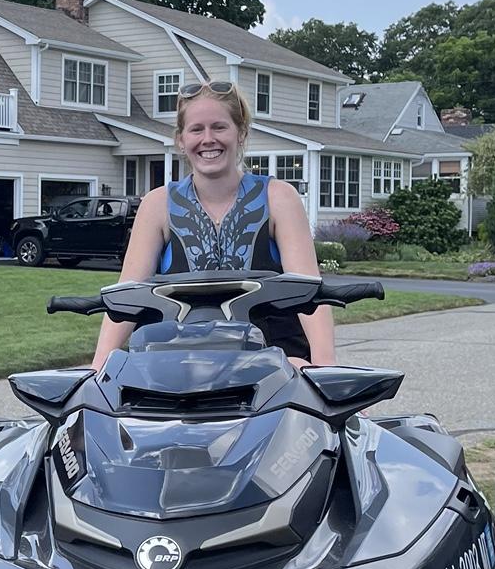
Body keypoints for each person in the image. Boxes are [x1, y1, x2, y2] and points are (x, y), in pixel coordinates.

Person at [91, 80, 335, 369]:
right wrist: (98, 367)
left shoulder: (278, 198)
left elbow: (309, 293)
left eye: (219, 127)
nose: (208, 139)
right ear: (181, 140)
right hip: (177, 367)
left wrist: (326, 367)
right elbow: (128, 297)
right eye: (196, 129)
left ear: (241, 133)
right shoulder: (157, 205)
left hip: (273, 366)